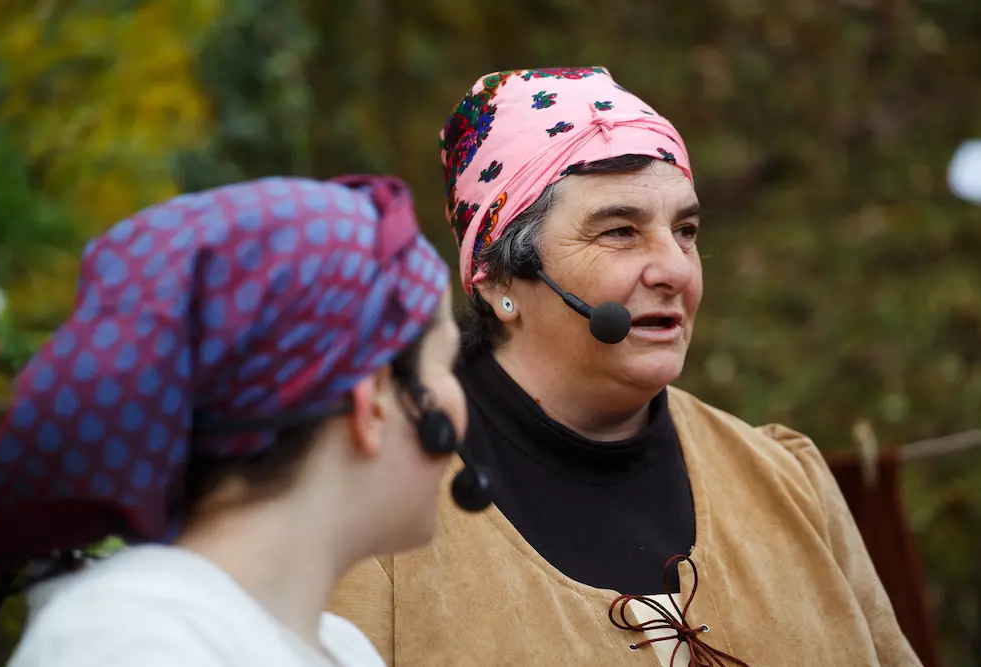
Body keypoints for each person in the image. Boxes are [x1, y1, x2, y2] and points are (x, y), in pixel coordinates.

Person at [328, 68, 923, 666]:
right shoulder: (375, 517)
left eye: (684, 231)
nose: (676, 270)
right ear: (502, 281)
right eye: (619, 232)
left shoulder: (786, 483)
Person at [0, 174, 488, 667]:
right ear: (375, 400)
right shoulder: (132, 646)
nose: (458, 394)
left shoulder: (337, 647)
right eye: (444, 365)